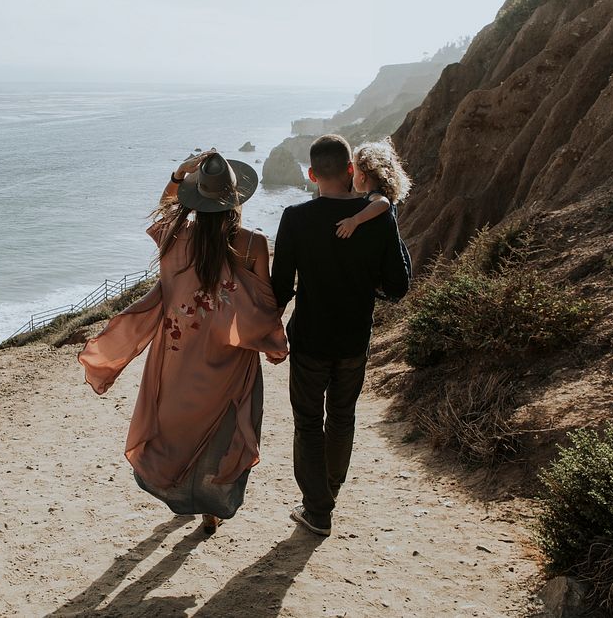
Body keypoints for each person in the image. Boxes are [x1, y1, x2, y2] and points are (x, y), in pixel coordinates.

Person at [79, 150, 288, 535]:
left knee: (178, 428)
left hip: (177, 355)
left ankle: (181, 494)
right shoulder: (253, 244)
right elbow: (264, 305)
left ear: (196, 197)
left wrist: (178, 175)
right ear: (235, 198)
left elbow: (163, 209)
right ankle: (210, 508)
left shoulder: (175, 238)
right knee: (222, 432)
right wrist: (272, 342)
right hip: (230, 357)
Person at [271, 134, 410, 537]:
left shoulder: (295, 218)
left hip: (311, 339)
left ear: (312, 173)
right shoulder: (378, 216)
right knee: (342, 417)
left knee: (309, 422)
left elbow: (280, 288)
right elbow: (398, 286)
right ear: (351, 170)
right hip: (353, 340)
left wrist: (267, 330)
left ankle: (318, 508)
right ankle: (326, 494)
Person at [335, 138, 413, 284]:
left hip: (391, 267)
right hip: (396, 259)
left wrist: (354, 221)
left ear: (362, 177)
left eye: (355, 172)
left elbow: (383, 204)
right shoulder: (380, 194)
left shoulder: (376, 197)